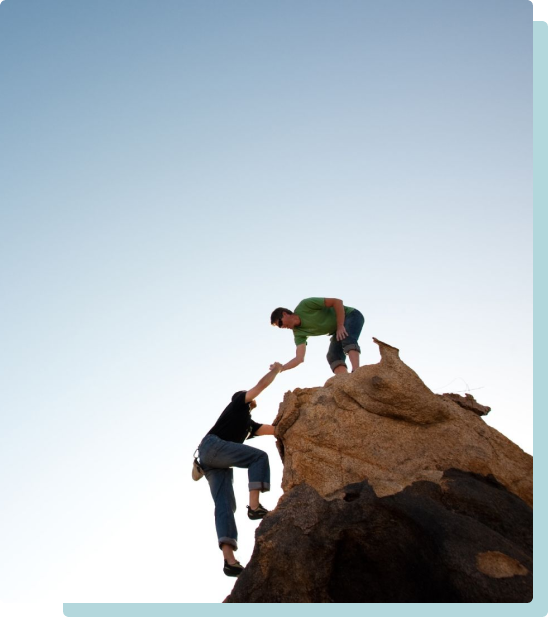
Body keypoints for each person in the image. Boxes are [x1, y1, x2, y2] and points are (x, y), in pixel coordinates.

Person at [197, 362, 282, 577]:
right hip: (213, 446)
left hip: (212, 462)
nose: (254, 400)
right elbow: (261, 385)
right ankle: (254, 506)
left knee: (225, 506)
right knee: (258, 457)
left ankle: (229, 561)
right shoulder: (239, 403)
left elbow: (275, 430)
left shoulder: (248, 427)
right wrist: (277, 370)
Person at [270, 297, 364, 374]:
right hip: (337, 330)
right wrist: (281, 368)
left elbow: (337, 302)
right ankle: (345, 380)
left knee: (346, 338)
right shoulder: (298, 333)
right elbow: (299, 358)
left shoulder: (305, 305)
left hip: (351, 315)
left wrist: (340, 326)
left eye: (280, 323)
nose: (282, 327)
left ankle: (357, 372)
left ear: (285, 314)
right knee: (332, 356)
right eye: (279, 327)